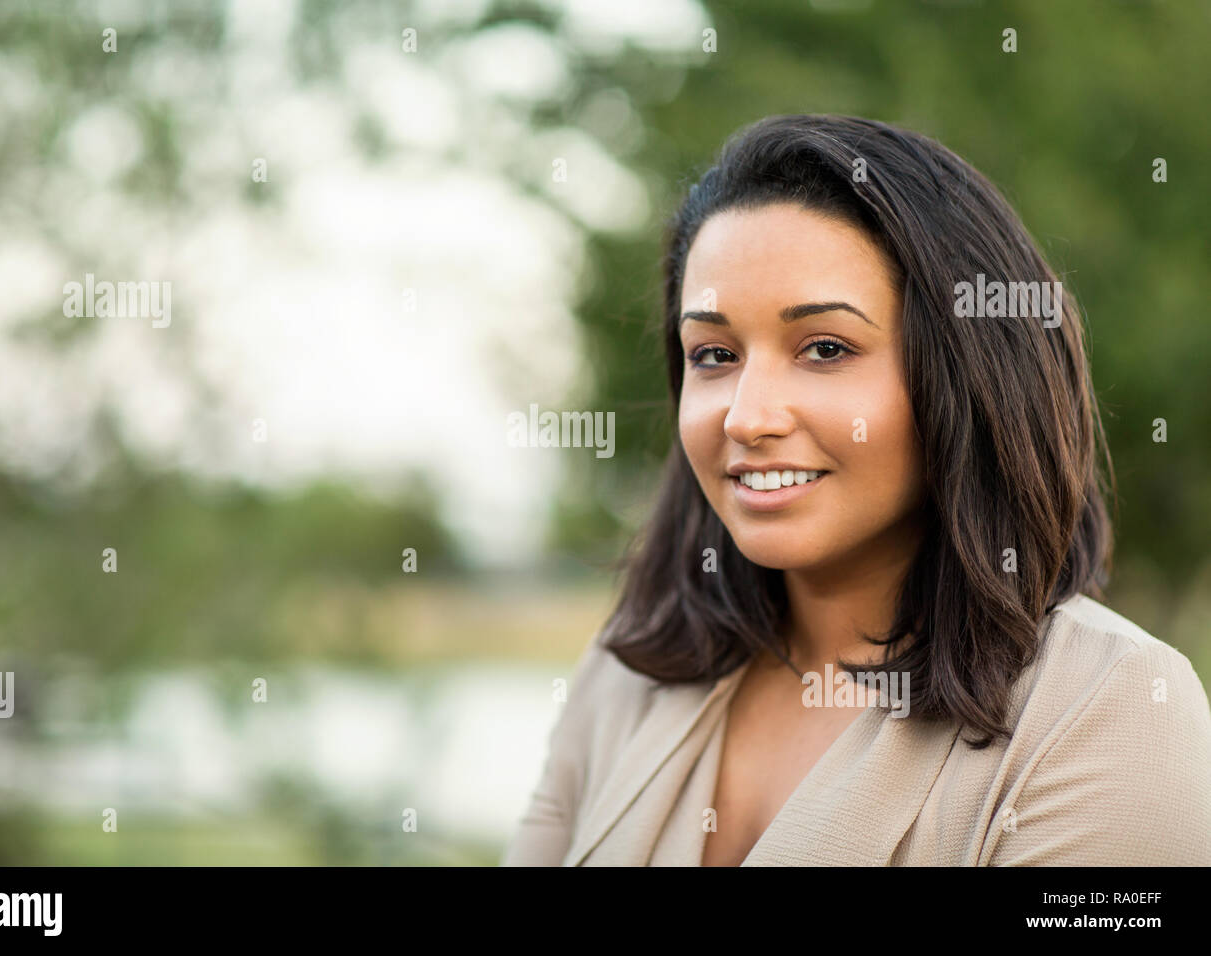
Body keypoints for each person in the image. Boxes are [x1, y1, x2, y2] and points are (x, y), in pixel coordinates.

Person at [500, 114, 1211, 866]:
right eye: (714, 354)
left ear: (966, 376)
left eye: (826, 348)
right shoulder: (627, 675)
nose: (747, 417)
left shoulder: (1110, 710)